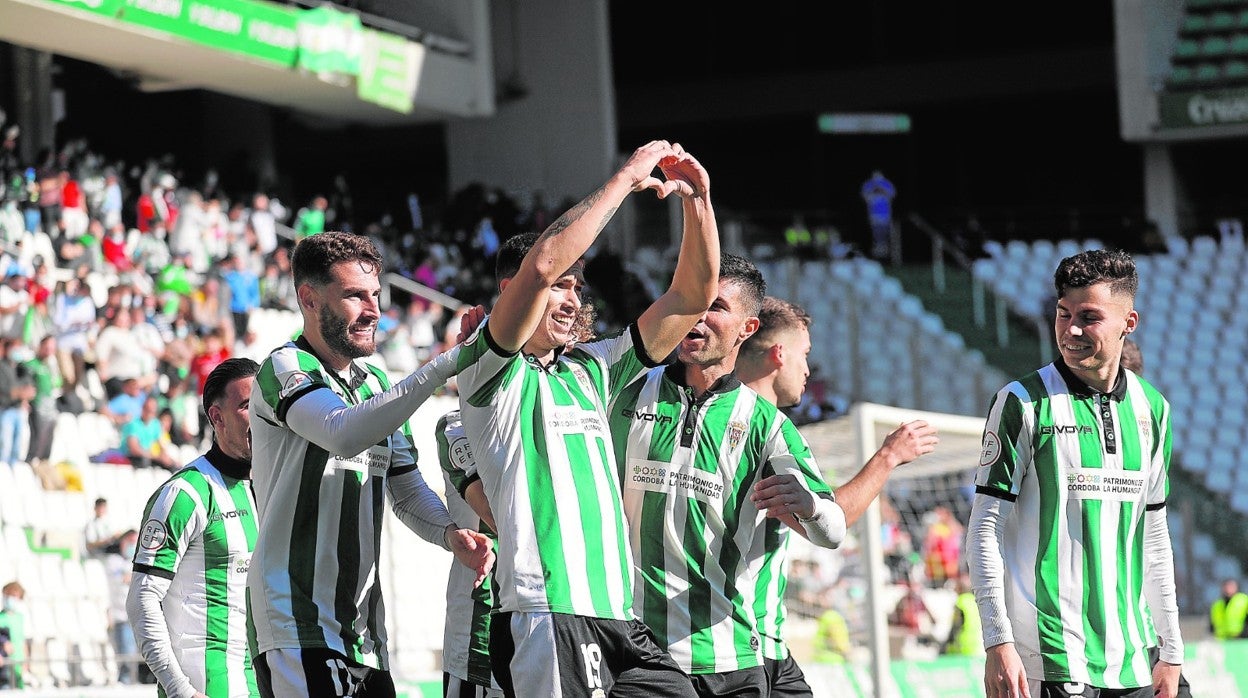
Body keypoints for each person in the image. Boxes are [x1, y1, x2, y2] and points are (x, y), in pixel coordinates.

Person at [455, 140, 717, 697]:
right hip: (546, 611)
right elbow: (542, 264)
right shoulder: (489, 368)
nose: (573, 298)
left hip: (617, 614)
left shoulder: (592, 370)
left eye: (579, 286)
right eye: (562, 287)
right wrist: (624, 179)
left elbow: (691, 295)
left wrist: (698, 202)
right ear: (512, 294)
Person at [246, 231, 492, 698]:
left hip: (365, 636)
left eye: (376, 295)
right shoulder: (283, 367)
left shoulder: (374, 381)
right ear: (309, 299)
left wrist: (448, 534)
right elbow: (342, 433)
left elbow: (405, 486)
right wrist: (443, 365)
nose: (373, 310)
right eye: (355, 296)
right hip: (294, 622)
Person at [609, 254, 843, 695]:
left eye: (714, 306)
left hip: (730, 658)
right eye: (691, 301)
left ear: (747, 329)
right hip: (637, 651)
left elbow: (833, 531)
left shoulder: (767, 426)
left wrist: (809, 505)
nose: (696, 315)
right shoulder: (625, 392)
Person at [966, 249, 1183, 698]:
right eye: (1063, 315)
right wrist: (997, 641)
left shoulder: (1153, 409)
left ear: (1129, 322)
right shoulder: (1020, 401)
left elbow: (1155, 537)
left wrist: (1171, 648)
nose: (1072, 330)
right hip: (1049, 661)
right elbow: (984, 529)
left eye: (1089, 316)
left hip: (1133, 661)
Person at [735, 295, 938, 697]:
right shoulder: (770, 428)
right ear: (779, 354)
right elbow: (830, 523)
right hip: (749, 643)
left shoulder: (712, 414)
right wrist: (887, 457)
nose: (808, 370)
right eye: (804, 355)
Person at [128, 358, 261, 698]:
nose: (261, 415)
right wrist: (179, 690)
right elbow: (142, 599)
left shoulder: (267, 487)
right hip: (206, 686)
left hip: (259, 681)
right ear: (217, 418)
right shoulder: (185, 493)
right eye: (247, 406)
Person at [109, 528, 142, 684]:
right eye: (129, 542)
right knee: (125, 654)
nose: (132, 545)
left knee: (139, 655)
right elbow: (120, 580)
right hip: (122, 615)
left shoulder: (137, 561)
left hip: (138, 615)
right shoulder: (114, 561)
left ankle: (135, 681)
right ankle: (125, 682)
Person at [942, 573, 986, 657]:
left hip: (965, 647)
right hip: (979, 646)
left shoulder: (960, 602)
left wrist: (946, 645)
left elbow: (956, 626)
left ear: (959, 588)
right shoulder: (977, 601)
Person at [860, 170, 896, 260]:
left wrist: (882, 188)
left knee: (885, 233)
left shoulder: (886, 184)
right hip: (873, 214)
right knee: (876, 234)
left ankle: (885, 251)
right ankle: (877, 252)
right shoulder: (868, 184)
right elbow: (865, 196)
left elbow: (892, 195)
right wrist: (874, 188)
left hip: (885, 214)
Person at [0, 581, 27, 689]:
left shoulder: (20, 618)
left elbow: (22, 641)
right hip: (5, 667)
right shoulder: (1, 618)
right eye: (9, 595)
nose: (11, 599)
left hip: (18, 665)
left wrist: (25, 661)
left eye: (15, 596)